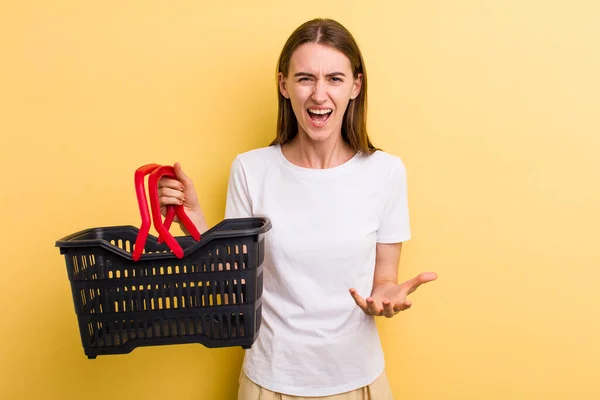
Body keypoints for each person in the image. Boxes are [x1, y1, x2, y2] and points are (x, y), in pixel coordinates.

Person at [158, 18, 437, 400]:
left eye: (334, 79)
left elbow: (385, 278)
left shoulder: (385, 172)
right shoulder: (251, 169)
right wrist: (193, 220)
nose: (319, 95)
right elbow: (232, 282)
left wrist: (385, 297)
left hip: (357, 380)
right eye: (305, 78)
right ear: (283, 85)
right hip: (269, 381)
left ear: (356, 86)